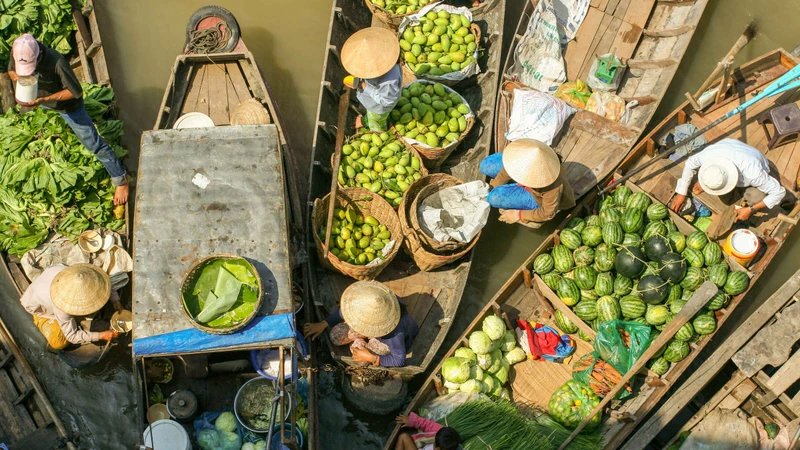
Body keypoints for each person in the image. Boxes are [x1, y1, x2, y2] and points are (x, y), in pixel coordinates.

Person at [8, 34, 129, 205]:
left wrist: (44, 100)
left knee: (93, 143)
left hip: (68, 107)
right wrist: (19, 78)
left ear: (38, 56)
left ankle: (121, 180)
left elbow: (75, 92)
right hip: (38, 100)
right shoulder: (19, 51)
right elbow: (11, 70)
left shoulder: (56, 62)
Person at [303, 280, 419, 367]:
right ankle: (365, 340)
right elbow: (345, 311)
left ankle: (368, 345)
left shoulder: (394, 334)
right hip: (376, 326)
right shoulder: (374, 298)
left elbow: (399, 360)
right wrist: (324, 323)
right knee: (335, 336)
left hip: (387, 341)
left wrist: (373, 358)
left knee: (357, 349)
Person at [669, 138, 788, 222]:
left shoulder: (753, 173)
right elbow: (690, 163)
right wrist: (681, 192)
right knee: (726, 199)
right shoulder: (707, 155)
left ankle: (745, 202)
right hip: (729, 148)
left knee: (756, 197)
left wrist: (751, 209)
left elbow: (779, 193)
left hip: (754, 162)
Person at [20, 263, 119, 351]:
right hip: (42, 308)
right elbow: (72, 336)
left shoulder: (75, 273)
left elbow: (104, 282)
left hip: (44, 287)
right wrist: (101, 335)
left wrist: (116, 301)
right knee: (58, 342)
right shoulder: (61, 305)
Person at [480, 138, 576, 228]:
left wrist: (518, 214)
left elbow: (548, 213)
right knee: (485, 165)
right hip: (530, 183)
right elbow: (509, 169)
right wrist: (493, 186)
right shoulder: (527, 154)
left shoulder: (552, 185)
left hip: (537, 198)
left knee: (494, 198)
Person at [341, 27, 402, 131]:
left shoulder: (389, 81)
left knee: (377, 123)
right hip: (371, 102)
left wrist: (364, 87)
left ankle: (380, 131)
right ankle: (366, 120)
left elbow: (387, 101)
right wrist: (358, 82)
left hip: (379, 108)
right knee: (371, 114)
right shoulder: (389, 64)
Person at [394, 413, 461, 450]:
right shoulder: (438, 431)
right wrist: (411, 421)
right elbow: (426, 424)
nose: (435, 449)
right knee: (403, 436)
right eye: (435, 446)